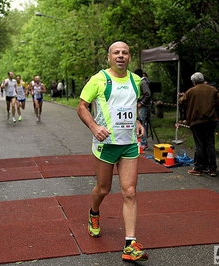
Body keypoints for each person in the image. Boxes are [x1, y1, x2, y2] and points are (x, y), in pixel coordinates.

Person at [76, 41, 148, 261]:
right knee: (103, 189)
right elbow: (81, 106)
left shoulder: (135, 80)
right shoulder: (98, 79)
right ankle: (94, 213)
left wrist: (136, 121)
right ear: (108, 57)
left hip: (128, 144)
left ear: (129, 57)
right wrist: (94, 127)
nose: (120, 56)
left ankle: (130, 244)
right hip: (105, 144)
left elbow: (131, 104)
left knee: (130, 191)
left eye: (124, 53)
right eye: (116, 52)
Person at [179, 72, 219, 177]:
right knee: (210, 144)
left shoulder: (191, 91)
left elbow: (181, 102)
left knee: (199, 145)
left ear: (194, 82)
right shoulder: (212, 90)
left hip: (196, 121)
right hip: (211, 121)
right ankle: (212, 169)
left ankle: (198, 168)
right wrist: (218, 114)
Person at [134, 68, 152, 151]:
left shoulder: (142, 82)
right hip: (142, 105)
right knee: (141, 123)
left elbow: (148, 94)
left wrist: (142, 103)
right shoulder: (141, 82)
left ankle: (144, 143)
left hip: (143, 106)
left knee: (142, 123)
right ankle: (142, 142)